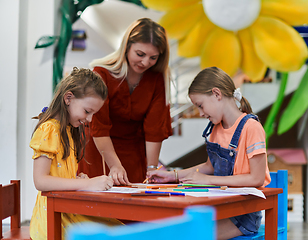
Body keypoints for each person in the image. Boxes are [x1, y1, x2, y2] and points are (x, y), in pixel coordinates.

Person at [147, 67, 271, 239]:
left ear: (216, 94)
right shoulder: (215, 129)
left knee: (190, 234)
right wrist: (172, 176)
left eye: (200, 105)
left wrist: (208, 180)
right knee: (173, 228)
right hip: (218, 207)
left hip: (243, 215)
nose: (200, 113)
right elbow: (209, 167)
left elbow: (256, 179)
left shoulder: (252, 127)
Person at [29, 67, 122, 240]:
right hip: (52, 218)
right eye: (87, 111)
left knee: (118, 229)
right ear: (68, 98)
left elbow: (58, 175)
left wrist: (77, 180)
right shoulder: (49, 129)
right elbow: (40, 181)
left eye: (93, 113)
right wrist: (87, 185)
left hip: (64, 211)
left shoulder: (68, 130)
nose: (90, 119)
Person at [77, 17, 172, 185]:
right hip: (98, 150)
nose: (145, 62)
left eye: (153, 57)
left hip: (134, 153)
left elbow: (154, 130)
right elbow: (99, 128)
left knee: (132, 202)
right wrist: (115, 166)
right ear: (127, 47)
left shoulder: (157, 79)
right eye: (140, 54)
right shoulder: (101, 74)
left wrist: (151, 168)